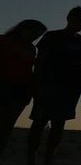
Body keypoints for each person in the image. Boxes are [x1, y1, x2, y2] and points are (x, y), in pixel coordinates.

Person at [26, 7, 81, 165]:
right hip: (48, 85)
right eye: (78, 20)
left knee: (59, 124)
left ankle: (48, 158)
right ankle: (31, 157)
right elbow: (40, 62)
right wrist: (36, 84)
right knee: (39, 121)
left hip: (70, 88)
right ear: (69, 18)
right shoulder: (52, 37)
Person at [0, 20, 46, 156]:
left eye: (38, 35)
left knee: (8, 124)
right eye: (33, 33)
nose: (34, 37)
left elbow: (30, 69)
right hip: (3, 85)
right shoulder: (3, 41)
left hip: (21, 88)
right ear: (23, 29)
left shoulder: (31, 49)